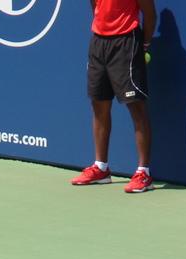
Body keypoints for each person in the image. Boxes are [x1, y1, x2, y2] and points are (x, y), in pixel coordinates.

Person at [71, 0, 158, 193]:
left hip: (127, 42)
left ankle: (144, 173)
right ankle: (101, 168)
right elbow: (95, 7)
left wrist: (143, 45)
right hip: (99, 42)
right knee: (99, 104)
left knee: (136, 107)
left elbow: (150, 14)